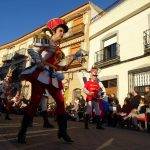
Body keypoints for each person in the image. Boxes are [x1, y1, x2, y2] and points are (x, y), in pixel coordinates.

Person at [18, 18, 74, 144]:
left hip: (53, 76)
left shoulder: (59, 50)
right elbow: (32, 50)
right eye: (60, 30)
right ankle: (22, 132)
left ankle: (63, 131)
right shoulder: (46, 40)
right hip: (41, 75)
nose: (62, 33)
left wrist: (67, 64)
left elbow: (58, 66)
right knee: (34, 102)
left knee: (60, 102)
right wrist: (39, 62)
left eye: (63, 32)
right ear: (53, 31)